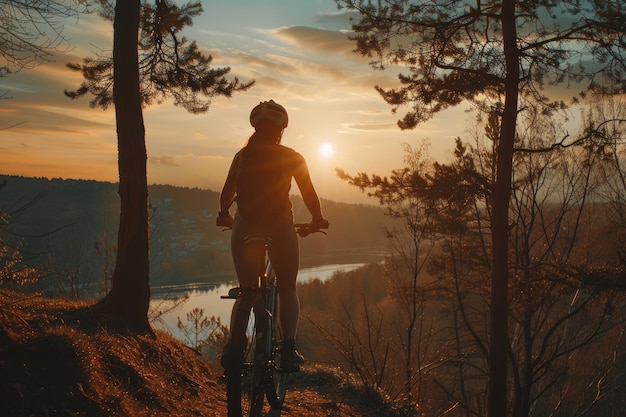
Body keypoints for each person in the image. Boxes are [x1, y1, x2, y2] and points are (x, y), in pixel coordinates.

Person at [216, 99, 329, 372]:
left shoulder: (242, 156)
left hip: (245, 224)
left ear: (256, 126)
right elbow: (309, 195)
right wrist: (317, 218)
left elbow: (226, 194)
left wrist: (224, 215)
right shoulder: (292, 156)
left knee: (245, 292)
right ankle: (289, 349)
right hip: (280, 225)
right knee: (288, 287)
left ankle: (235, 345)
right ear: (281, 130)